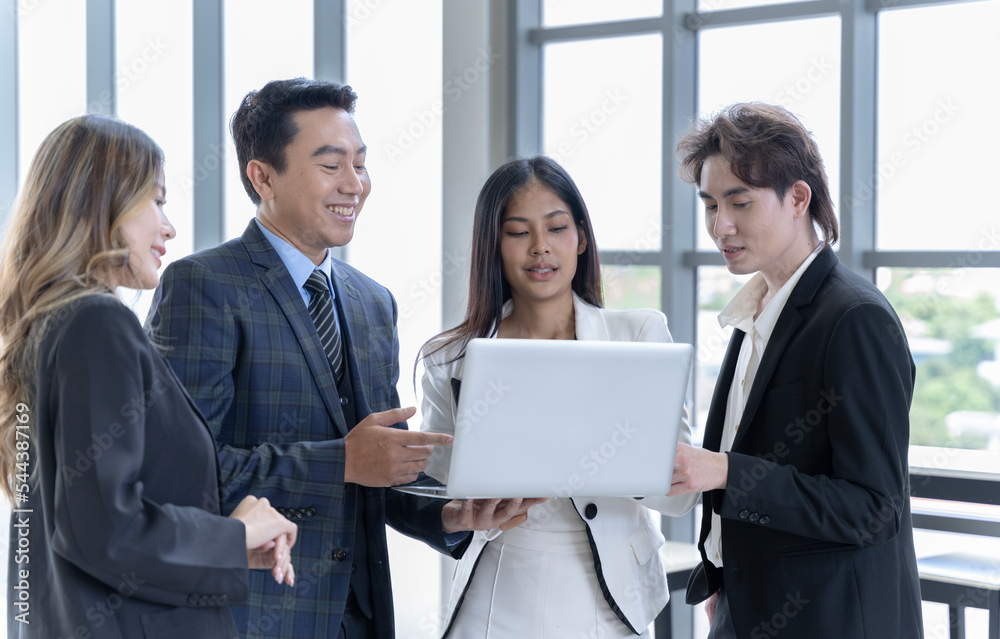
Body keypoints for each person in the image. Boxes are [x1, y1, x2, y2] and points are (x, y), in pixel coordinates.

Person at [146, 78, 526, 639]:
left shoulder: (372, 301)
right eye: (331, 166)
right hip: (253, 618)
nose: (355, 185)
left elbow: (378, 473)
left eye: (361, 164)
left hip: (361, 619)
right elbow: (180, 472)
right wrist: (341, 461)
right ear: (262, 176)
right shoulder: (203, 286)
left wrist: (449, 516)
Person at [0, 115, 298, 639]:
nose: (169, 226)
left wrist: (226, 545)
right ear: (102, 202)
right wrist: (231, 537)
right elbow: (105, 530)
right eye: (156, 200)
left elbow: (78, 533)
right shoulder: (95, 323)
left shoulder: (48, 329)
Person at [668, 103, 923, 638]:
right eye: (710, 205)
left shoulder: (855, 318)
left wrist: (725, 472)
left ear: (798, 198)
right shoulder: (755, 309)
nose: (721, 225)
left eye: (740, 202)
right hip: (746, 605)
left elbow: (874, 509)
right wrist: (722, 577)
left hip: (830, 620)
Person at [418, 155, 699, 638]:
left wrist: (610, 457)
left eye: (556, 227)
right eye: (518, 232)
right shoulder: (449, 357)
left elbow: (682, 499)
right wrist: (468, 508)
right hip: (500, 580)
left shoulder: (638, 335)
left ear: (582, 238)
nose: (540, 248)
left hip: (611, 590)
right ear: (494, 245)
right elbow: (441, 488)